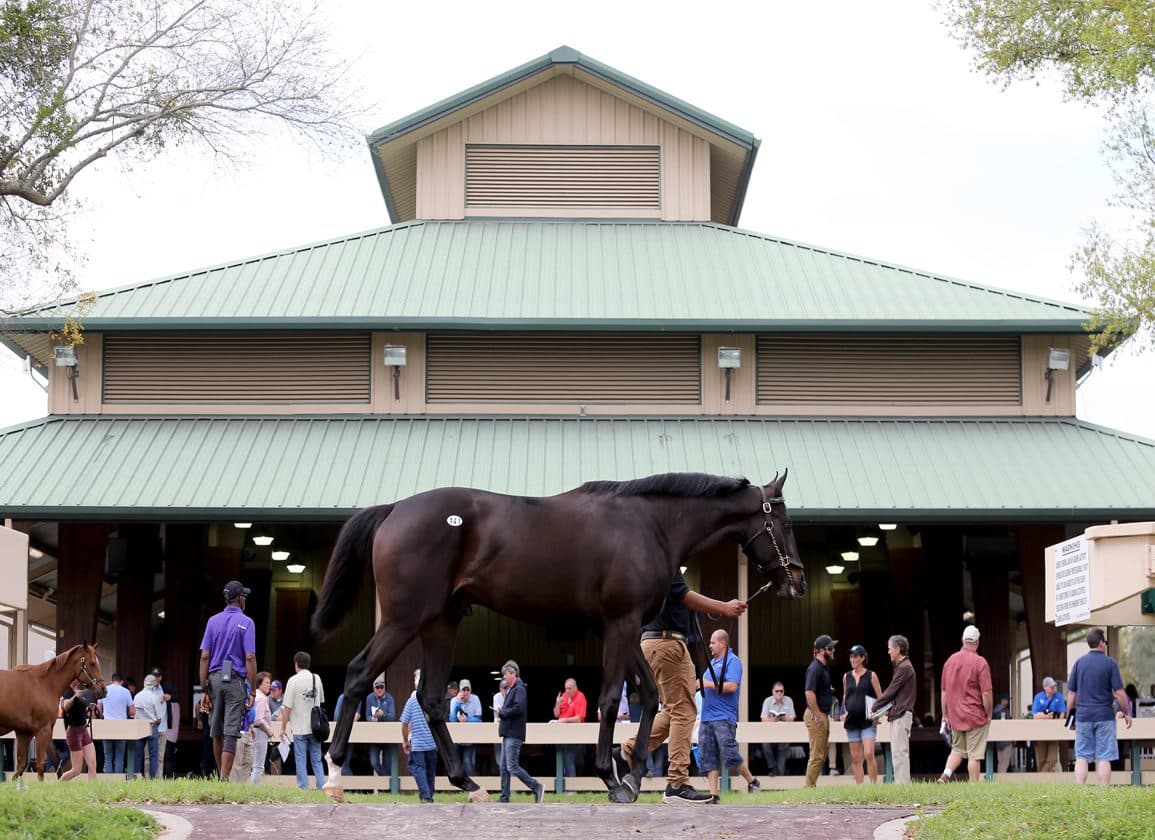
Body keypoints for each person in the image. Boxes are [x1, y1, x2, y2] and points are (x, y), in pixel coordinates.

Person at [618, 568, 746, 804]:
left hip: (654, 642)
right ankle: (677, 783)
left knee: (673, 710)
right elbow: (686, 595)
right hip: (668, 643)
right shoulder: (665, 559)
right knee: (685, 711)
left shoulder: (649, 562)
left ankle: (630, 750)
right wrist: (725, 607)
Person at [198, 579, 258, 781]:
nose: (245, 600)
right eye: (245, 597)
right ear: (240, 598)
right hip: (235, 680)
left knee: (216, 731)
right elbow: (249, 657)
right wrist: (252, 690)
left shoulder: (212, 621)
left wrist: (204, 689)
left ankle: (220, 776)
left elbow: (205, 656)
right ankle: (224, 779)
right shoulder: (247, 623)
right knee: (231, 732)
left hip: (215, 679)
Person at [699, 629, 760, 797]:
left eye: (712, 642)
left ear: (722, 643)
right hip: (706, 717)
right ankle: (714, 795)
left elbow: (732, 686)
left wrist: (706, 684)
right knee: (708, 756)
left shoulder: (733, 661)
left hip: (723, 717)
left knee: (729, 753)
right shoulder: (713, 662)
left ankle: (752, 781)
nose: (710, 646)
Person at [1067, 626, 1132, 785]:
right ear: (1101, 643)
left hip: (1083, 716)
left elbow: (1071, 694)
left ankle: (1079, 790)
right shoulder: (1110, 663)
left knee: (1081, 756)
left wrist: (1070, 716)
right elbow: (1119, 693)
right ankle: (1104, 792)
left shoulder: (1079, 663)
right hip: (1105, 716)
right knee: (1104, 756)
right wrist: (1127, 712)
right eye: (1105, 642)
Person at [938, 625, 993, 783]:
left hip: (955, 716)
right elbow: (986, 693)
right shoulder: (980, 663)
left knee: (957, 750)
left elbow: (944, 692)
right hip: (975, 716)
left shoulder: (949, 662)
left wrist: (945, 715)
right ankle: (974, 787)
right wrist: (988, 713)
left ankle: (945, 776)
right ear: (977, 642)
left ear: (963, 640)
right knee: (974, 756)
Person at [870, 633, 917, 784]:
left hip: (902, 715)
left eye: (890, 648)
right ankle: (902, 787)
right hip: (900, 714)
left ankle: (902, 788)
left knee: (899, 753)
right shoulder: (904, 666)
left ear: (898, 649)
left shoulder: (904, 667)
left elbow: (892, 690)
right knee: (899, 753)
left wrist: (875, 706)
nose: (888, 652)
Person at [497, 659, 544, 804]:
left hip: (513, 734)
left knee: (512, 766)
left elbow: (519, 708)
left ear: (513, 674)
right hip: (508, 733)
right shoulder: (512, 689)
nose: (504, 677)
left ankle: (536, 786)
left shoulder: (519, 689)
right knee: (504, 767)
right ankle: (504, 796)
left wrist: (503, 713)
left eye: (505, 674)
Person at [279, 650, 327, 790]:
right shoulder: (316, 678)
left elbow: (287, 707)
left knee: (301, 760)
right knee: (317, 760)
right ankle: (321, 787)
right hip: (315, 727)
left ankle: (303, 788)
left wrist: (282, 728)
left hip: (299, 727)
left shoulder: (293, 681)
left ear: (296, 664)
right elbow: (321, 701)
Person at [840, 644, 882, 784]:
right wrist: (844, 711)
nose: (853, 659)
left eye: (856, 656)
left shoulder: (871, 675)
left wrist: (878, 714)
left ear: (863, 658)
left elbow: (880, 697)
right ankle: (860, 789)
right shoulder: (846, 676)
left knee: (869, 754)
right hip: (852, 721)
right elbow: (845, 696)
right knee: (856, 758)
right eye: (851, 656)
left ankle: (873, 786)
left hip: (867, 721)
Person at [803, 634, 837, 788]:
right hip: (816, 715)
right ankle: (808, 789)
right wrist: (817, 714)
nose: (833, 650)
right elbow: (809, 692)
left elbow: (816, 690)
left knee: (821, 755)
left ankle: (811, 787)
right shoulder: (815, 668)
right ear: (822, 651)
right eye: (830, 648)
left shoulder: (823, 667)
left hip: (822, 714)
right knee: (817, 756)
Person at [400, 668, 438, 802]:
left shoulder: (412, 701)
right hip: (432, 743)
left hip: (417, 743)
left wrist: (405, 741)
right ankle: (429, 795)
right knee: (430, 771)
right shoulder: (433, 699)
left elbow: (404, 723)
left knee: (417, 767)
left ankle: (425, 795)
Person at [59, 679, 98, 781]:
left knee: (92, 763)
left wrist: (89, 707)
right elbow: (65, 707)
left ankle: (93, 791)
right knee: (76, 770)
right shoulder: (67, 691)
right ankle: (59, 784)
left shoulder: (80, 690)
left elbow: (79, 708)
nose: (78, 681)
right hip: (74, 732)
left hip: (84, 730)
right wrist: (75, 696)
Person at [98, 673, 135, 774]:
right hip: (121, 726)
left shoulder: (104, 690)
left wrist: (104, 715)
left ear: (112, 680)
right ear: (121, 682)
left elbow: (98, 708)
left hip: (106, 726)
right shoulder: (126, 691)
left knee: (107, 756)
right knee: (119, 756)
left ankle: (108, 780)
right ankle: (118, 779)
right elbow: (132, 711)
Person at [552, 677, 588, 778]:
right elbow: (556, 714)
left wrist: (564, 721)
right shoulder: (564, 695)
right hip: (561, 733)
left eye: (569, 688)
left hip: (573, 734)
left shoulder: (580, 697)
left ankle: (571, 789)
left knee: (569, 757)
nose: (567, 691)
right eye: (566, 688)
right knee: (560, 758)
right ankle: (561, 786)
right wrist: (557, 703)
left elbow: (579, 719)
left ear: (575, 687)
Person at [1030, 676, 1067, 772]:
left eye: (1054, 686)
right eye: (1051, 687)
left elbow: (1062, 713)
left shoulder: (1059, 696)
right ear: (1045, 687)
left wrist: (1058, 725)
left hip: (1053, 732)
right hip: (1040, 733)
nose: (1054, 688)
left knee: (1053, 759)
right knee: (1041, 761)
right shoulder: (1038, 697)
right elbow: (1034, 715)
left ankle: (1040, 778)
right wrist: (1047, 717)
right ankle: (1042, 783)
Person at [759, 682, 797, 776]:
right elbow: (763, 719)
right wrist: (772, 720)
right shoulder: (767, 701)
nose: (779, 693)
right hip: (770, 735)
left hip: (784, 736)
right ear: (773, 692)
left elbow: (792, 719)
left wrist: (785, 719)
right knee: (764, 744)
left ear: (784, 692)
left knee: (781, 766)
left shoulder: (789, 700)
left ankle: (781, 788)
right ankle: (772, 766)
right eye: (777, 691)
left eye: (781, 691)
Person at [363, 675, 396, 779]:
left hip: (387, 736)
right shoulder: (369, 698)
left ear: (385, 688)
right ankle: (388, 782)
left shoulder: (389, 698)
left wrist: (383, 715)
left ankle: (386, 790)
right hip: (374, 736)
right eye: (377, 688)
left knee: (388, 764)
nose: (380, 689)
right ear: (374, 689)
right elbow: (367, 716)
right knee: (374, 762)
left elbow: (392, 716)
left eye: (382, 687)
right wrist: (371, 719)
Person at [448, 677, 483, 776]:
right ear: (460, 690)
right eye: (463, 689)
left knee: (468, 762)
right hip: (456, 738)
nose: (466, 692)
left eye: (468, 689)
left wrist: (467, 720)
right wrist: (458, 703)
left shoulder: (475, 699)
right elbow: (452, 719)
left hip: (469, 738)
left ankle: (470, 787)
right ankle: (458, 787)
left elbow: (479, 720)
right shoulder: (454, 700)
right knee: (456, 763)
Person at [133, 673, 164, 778]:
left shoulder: (137, 696)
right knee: (153, 755)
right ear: (154, 684)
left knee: (138, 754)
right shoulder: (155, 697)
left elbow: (134, 713)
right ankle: (152, 778)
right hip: (152, 725)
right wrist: (156, 721)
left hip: (139, 726)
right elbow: (159, 717)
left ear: (144, 683)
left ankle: (136, 776)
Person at [249, 672, 275, 784]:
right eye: (266, 683)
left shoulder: (256, 696)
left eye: (269, 683)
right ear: (259, 683)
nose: (269, 685)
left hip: (254, 732)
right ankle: (254, 791)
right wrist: (268, 730)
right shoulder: (262, 698)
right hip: (259, 733)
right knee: (258, 766)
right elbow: (258, 720)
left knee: (253, 765)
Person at [992, 693, 1013, 773]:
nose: (1008, 702)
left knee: (1000, 762)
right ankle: (1002, 780)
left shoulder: (994, 711)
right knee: (1005, 762)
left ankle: (999, 779)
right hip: (1006, 741)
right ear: (1003, 700)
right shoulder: (1005, 711)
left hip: (998, 741)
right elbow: (1010, 725)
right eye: (1007, 700)